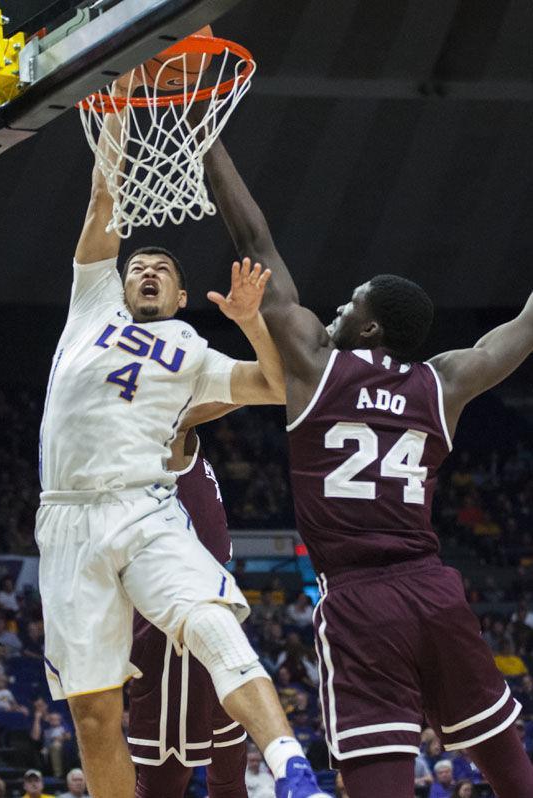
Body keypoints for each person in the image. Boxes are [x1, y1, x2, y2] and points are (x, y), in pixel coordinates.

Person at [201, 130, 533, 797]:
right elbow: (524, 327)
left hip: (361, 602)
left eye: (352, 302)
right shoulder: (446, 382)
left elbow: (256, 245)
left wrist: (207, 140)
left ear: (371, 328)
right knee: (514, 776)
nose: (339, 307)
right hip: (436, 593)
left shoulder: (316, 364)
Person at [35, 72, 329, 798]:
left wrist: (253, 324)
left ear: (181, 296)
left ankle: (292, 773)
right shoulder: (89, 305)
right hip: (68, 516)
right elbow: (105, 202)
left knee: (210, 618)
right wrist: (117, 110)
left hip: (145, 505)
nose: (147, 270)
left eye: (162, 268)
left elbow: (274, 386)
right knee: (97, 715)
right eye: (139, 265)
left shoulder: (194, 353)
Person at [127, 414, 247, 798]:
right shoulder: (169, 454)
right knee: (166, 778)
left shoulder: (196, 462)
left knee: (231, 768)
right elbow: (185, 411)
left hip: (216, 615)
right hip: (174, 625)